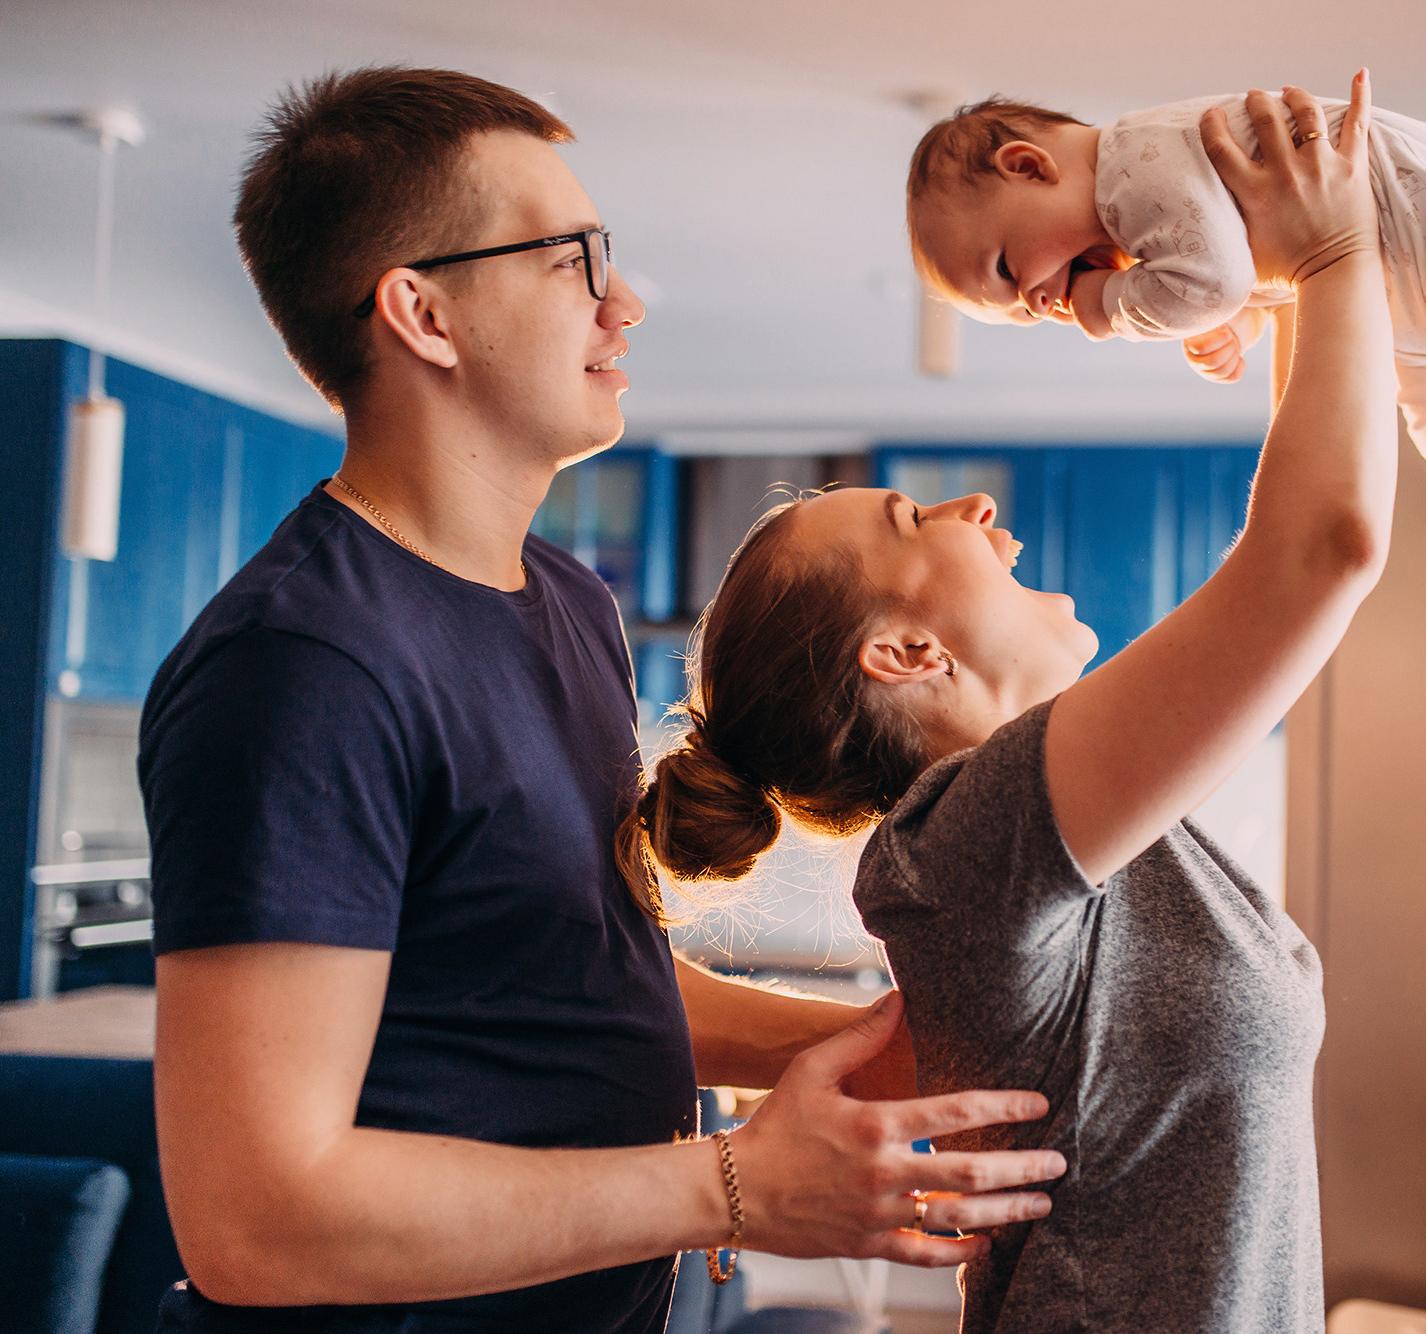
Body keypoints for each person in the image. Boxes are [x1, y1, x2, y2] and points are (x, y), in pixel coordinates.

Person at [138, 66, 1064, 1334]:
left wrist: (851, 1047)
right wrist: (733, 1184)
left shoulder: (565, 600)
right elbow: (257, 1218)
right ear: (422, 313)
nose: (622, 302)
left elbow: (567, 980)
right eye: (569, 260)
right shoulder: (301, 665)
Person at [618, 80, 1390, 1334]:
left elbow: (1312, 532)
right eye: (915, 518)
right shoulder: (975, 841)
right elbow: (1319, 548)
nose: (971, 506)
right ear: (903, 651)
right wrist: (1330, 253)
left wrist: (1281, 275)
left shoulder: (1036, 832)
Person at [905, 86, 1426, 666]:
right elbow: (1253, 275)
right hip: (1406, 277)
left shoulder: (1130, 167)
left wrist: (1113, 305)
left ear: (1028, 165)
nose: (1042, 303)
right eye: (1023, 314)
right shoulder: (1140, 205)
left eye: (1008, 272)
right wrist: (1238, 326)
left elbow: (1212, 281)